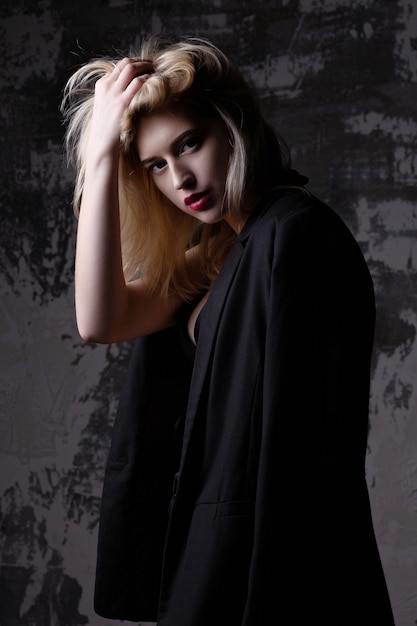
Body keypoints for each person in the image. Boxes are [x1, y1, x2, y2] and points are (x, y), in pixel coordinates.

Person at [61, 36, 395, 625]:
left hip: (265, 576)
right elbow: (99, 320)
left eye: (190, 144)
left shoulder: (295, 235)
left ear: (232, 124)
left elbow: (300, 457)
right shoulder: (218, 253)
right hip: (211, 559)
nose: (181, 178)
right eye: (155, 166)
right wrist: (101, 159)